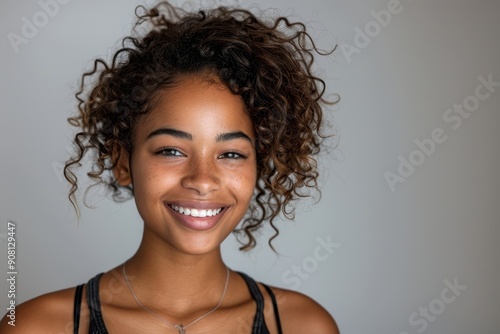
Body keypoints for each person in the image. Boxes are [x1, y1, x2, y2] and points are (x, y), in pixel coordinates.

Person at [1, 1, 339, 333]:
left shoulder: (303, 325)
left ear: (260, 166)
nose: (203, 180)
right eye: (171, 150)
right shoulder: (34, 326)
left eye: (232, 154)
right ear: (122, 162)